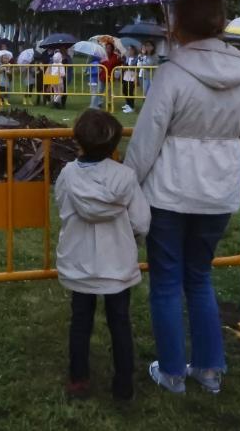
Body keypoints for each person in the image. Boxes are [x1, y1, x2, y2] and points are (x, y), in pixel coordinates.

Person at [124, 0, 240, 395]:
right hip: (219, 191)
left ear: (178, 24)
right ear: (220, 23)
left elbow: (147, 140)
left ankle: (171, 371)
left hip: (170, 192)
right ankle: (209, 369)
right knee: (200, 277)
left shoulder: (172, 73)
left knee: (167, 281)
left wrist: (127, 184)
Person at [56, 109, 150, 401]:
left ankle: (78, 379)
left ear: (78, 140)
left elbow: (61, 205)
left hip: (79, 262)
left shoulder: (68, 175)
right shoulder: (126, 177)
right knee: (119, 322)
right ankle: (123, 384)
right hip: (117, 264)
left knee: (80, 322)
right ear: (115, 144)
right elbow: (141, 222)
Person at [120, 45, 139, 113]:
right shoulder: (127, 58)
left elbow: (136, 67)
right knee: (124, 91)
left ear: (134, 50)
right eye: (128, 50)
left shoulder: (137, 58)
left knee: (130, 92)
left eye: (131, 50)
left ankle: (132, 107)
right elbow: (125, 66)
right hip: (126, 76)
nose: (129, 51)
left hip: (132, 76)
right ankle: (128, 104)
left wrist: (128, 66)